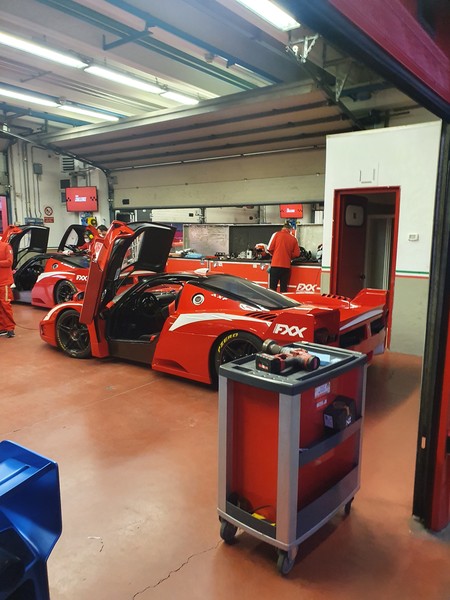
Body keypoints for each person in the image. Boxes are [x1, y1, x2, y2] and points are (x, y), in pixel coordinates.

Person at [267, 222, 300, 293]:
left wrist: (275, 254)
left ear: (283, 228)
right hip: (286, 267)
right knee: (284, 289)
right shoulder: (293, 239)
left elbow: (269, 248)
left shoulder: (276, 234)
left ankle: (273, 300)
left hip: (275, 265)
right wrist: (288, 255)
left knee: (272, 289)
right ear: (290, 230)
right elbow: (297, 254)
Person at [0, 237, 15, 338]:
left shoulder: (6, 246)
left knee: (5, 305)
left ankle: (10, 328)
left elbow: (9, 262)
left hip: (4, 282)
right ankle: (2, 328)